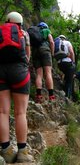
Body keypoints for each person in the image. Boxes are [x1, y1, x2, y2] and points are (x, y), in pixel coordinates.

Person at [0, 11, 33, 163]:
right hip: (19, 72)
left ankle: (6, 151)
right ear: (20, 23)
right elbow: (27, 56)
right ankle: (22, 152)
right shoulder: (24, 34)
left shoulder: (0, 31)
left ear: (7, 21)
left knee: (3, 112)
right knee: (20, 113)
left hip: (0, 73)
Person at [31, 22, 55, 103]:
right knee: (48, 73)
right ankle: (51, 96)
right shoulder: (46, 30)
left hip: (35, 52)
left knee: (39, 74)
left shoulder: (35, 32)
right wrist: (52, 53)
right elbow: (51, 42)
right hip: (45, 50)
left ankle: (38, 95)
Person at [56, 35, 75, 99]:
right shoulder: (67, 42)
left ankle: (63, 89)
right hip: (67, 63)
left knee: (66, 76)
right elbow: (72, 52)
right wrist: (73, 62)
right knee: (70, 80)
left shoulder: (57, 43)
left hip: (59, 64)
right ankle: (67, 96)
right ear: (65, 38)